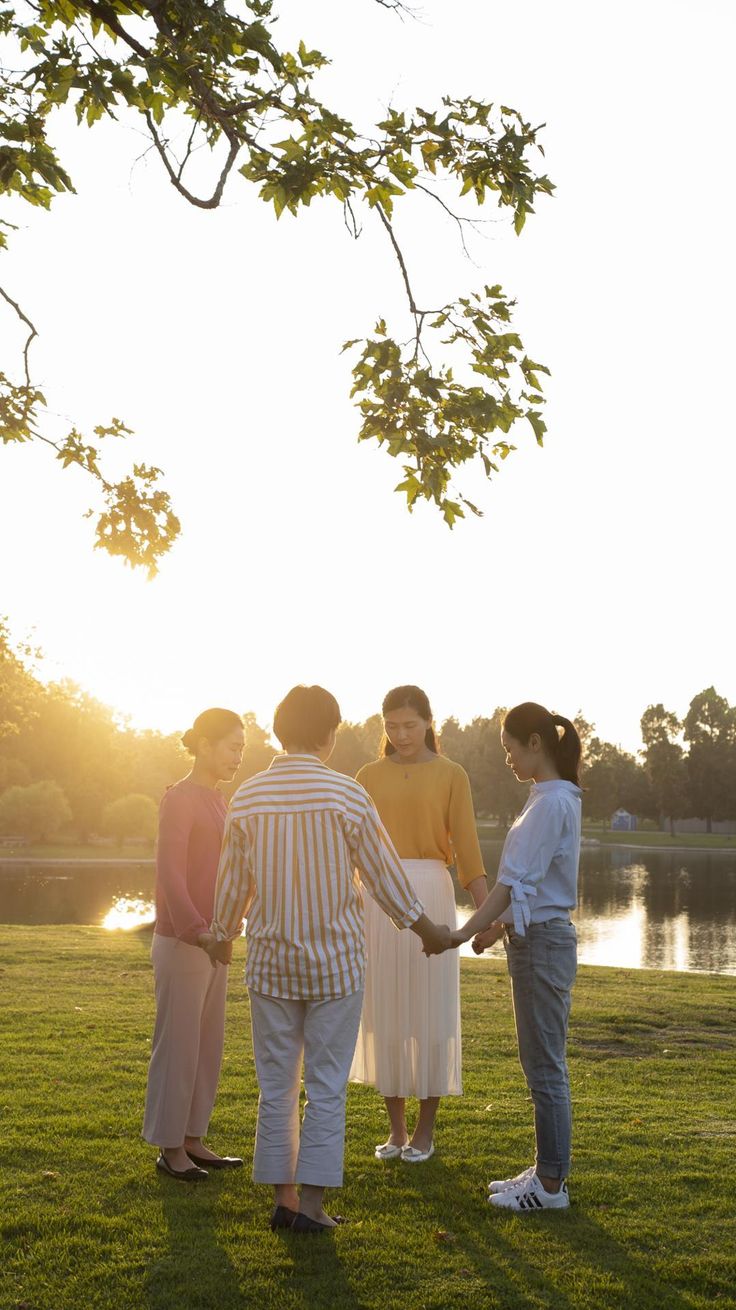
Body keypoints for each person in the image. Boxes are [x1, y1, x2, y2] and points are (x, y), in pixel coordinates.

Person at [207, 684, 450, 1232]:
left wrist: (222, 933)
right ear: (329, 734)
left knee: (276, 1086)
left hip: (270, 966)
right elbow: (385, 876)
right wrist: (427, 930)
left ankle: (285, 1200)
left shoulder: (247, 797)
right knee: (325, 1085)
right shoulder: (345, 795)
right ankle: (312, 1207)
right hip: (335, 967)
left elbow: (231, 885)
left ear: (278, 731)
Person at [432, 701, 582, 1212]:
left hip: (543, 945)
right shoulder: (548, 797)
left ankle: (551, 1187)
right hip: (535, 940)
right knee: (540, 1062)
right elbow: (530, 887)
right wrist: (496, 930)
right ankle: (546, 1170)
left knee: (545, 1067)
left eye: (509, 749)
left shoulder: (550, 804)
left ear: (534, 744)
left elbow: (510, 884)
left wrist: (458, 933)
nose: (508, 760)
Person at [350, 685, 488, 1163]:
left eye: (409, 724)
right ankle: (396, 1130)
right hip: (377, 897)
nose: (401, 734)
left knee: (429, 1010)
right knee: (385, 1008)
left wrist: (486, 917)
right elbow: (353, 847)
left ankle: (425, 1132)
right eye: (391, 726)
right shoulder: (366, 776)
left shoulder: (452, 774)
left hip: (431, 890)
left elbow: (468, 850)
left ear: (428, 722)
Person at [143, 707, 245, 1181]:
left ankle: (193, 1139)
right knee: (179, 1046)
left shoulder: (220, 801)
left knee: (207, 1045)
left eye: (242, 749)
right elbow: (170, 874)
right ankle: (169, 1147)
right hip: (186, 941)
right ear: (204, 745)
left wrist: (230, 923)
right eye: (232, 747)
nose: (238, 757)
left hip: (216, 940)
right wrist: (197, 930)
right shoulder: (179, 798)